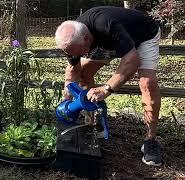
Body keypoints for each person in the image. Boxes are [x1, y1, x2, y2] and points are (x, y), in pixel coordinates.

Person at [55, 6, 162, 166]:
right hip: (106, 41)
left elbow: (132, 61)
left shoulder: (106, 25)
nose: (75, 56)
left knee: (147, 83)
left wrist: (106, 88)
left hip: (142, 34)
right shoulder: (72, 39)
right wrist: (68, 95)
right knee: (84, 74)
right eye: (72, 54)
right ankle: (94, 120)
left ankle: (151, 140)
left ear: (86, 40)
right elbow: (73, 70)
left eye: (78, 53)